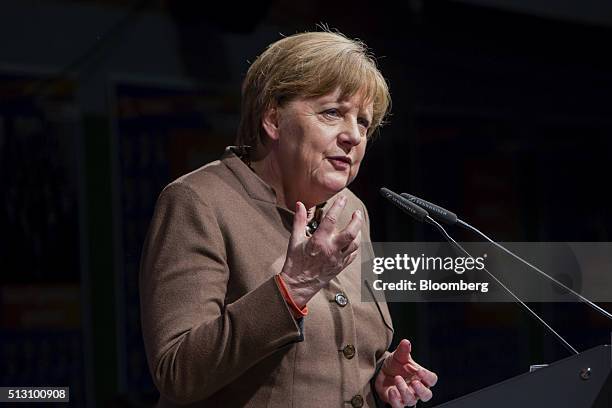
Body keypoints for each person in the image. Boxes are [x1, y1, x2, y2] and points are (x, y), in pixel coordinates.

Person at [140, 30, 437, 408]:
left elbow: (329, 353)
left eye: (363, 122)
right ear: (273, 119)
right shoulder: (199, 202)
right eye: (333, 113)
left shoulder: (350, 209)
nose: (353, 136)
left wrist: (378, 375)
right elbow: (176, 371)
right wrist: (292, 288)